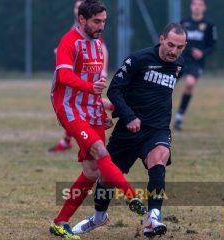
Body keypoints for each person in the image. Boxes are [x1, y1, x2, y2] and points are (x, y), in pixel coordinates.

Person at [72, 22, 187, 238]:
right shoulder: (138, 59)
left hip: (157, 129)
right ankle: (98, 217)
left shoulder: (179, 65)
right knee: (106, 177)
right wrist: (129, 116)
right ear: (161, 39)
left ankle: (153, 218)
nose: (174, 51)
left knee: (159, 158)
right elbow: (115, 90)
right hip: (128, 130)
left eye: (180, 47)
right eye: (171, 45)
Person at [49, 1, 146, 239]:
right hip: (70, 110)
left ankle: (60, 223)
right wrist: (90, 89)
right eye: (96, 21)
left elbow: (95, 90)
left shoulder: (98, 44)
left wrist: (100, 110)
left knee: (92, 172)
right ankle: (132, 196)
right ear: (82, 19)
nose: (101, 26)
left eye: (104, 21)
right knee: (101, 151)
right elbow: (64, 76)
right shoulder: (68, 41)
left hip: (89, 110)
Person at [49, 0, 113, 153]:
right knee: (75, 107)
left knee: (80, 105)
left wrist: (102, 70)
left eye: (80, 7)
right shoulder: (75, 31)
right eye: (76, 7)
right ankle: (66, 140)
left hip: (86, 81)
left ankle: (123, 110)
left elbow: (103, 49)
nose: (77, 9)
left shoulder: (92, 28)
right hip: (75, 81)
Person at [174, 0, 217, 131]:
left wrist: (202, 52)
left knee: (190, 83)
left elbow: (213, 46)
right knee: (168, 85)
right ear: (191, 6)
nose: (197, 7)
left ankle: (179, 116)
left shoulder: (209, 25)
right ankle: (158, 114)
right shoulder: (183, 23)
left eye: (200, 4)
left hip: (196, 62)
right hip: (180, 60)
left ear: (204, 7)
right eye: (194, 4)